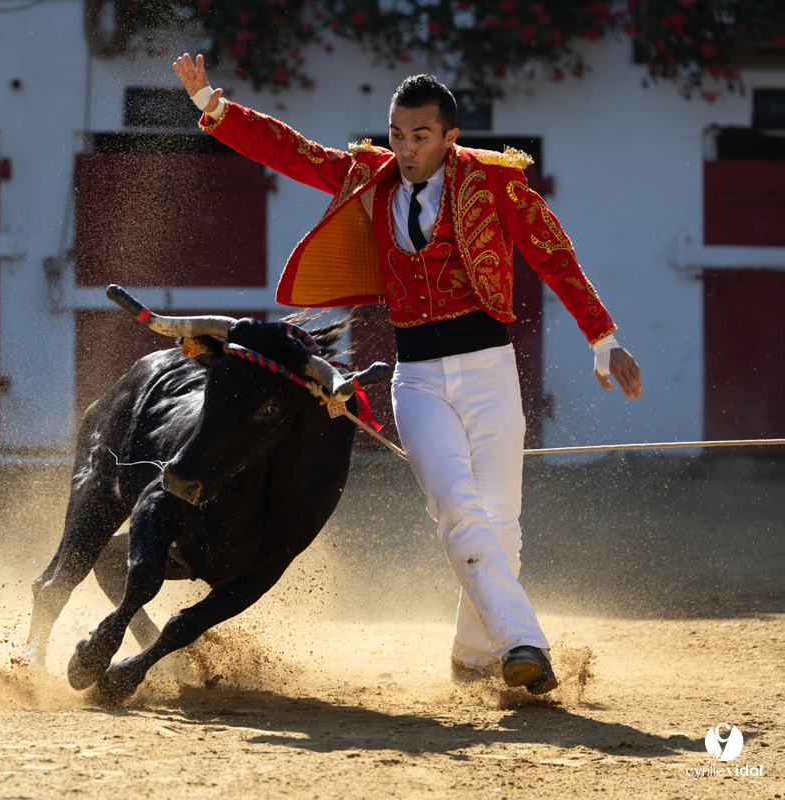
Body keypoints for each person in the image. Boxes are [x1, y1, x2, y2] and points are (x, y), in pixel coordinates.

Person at [172, 55, 641, 695]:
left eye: (420, 137)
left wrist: (603, 337)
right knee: (455, 508)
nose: (405, 149)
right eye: (396, 134)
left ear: (450, 137)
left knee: (501, 524)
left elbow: (552, 254)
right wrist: (215, 109)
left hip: (489, 370)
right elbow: (298, 154)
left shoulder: (495, 183)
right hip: (416, 377)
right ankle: (524, 643)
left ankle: (474, 656)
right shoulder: (373, 178)